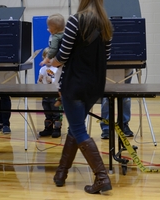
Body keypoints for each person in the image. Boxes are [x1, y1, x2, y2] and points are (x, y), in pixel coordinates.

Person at [50, 0, 113, 194]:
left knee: (78, 129)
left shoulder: (75, 21)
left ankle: (101, 177)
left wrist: (52, 62)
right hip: (94, 86)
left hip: (74, 84)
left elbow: (63, 54)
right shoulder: (106, 23)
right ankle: (61, 173)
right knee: (75, 128)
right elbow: (107, 56)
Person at [100, 68, 134, 139]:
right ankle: (106, 127)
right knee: (106, 98)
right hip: (106, 69)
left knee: (126, 98)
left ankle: (123, 124)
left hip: (126, 69)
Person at [40, 13, 65, 107]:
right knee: (62, 81)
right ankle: (62, 97)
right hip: (66, 63)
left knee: (57, 82)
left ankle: (61, 98)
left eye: (48, 27)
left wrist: (46, 59)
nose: (47, 29)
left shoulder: (55, 37)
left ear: (54, 29)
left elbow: (53, 49)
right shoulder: (65, 35)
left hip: (61, 63)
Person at [38, 47, 62, 138]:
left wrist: (51, 80)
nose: (48, 60)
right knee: (47, 112)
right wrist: (40, 79)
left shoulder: (56, 69)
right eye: (45, 58)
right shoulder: (42, 69)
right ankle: (48, 128)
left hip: (54, 94)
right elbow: (39, 82)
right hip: (45, 94)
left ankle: (57, 129)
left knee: (56, 112)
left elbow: (59, 81)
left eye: (51, 58)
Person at [0, 5, 11, 135]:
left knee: (5, 95)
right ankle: (0, 122)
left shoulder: (10, 29)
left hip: (5, 68)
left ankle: (6, 123)